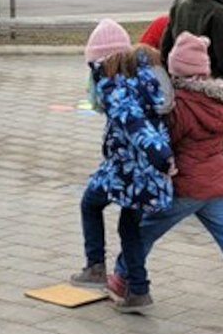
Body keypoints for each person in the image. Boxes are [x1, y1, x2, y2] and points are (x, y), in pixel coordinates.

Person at [107, 32, 223, 314]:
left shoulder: (176, 104)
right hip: (216, 185)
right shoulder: (221, 99)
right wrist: (218, 134)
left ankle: (120, 279)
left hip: (187, 186)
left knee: (144, 231)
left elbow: (166, 139)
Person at [70, 19, 176, 312]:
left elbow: (134, 122)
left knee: (90, 203)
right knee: (129, 226)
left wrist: (160, 154)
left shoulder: (114, 85)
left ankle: (95, 266)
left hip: (128, 169)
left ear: (103, 59)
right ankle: (138, 291)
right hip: (141, 168)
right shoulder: (145, 76)